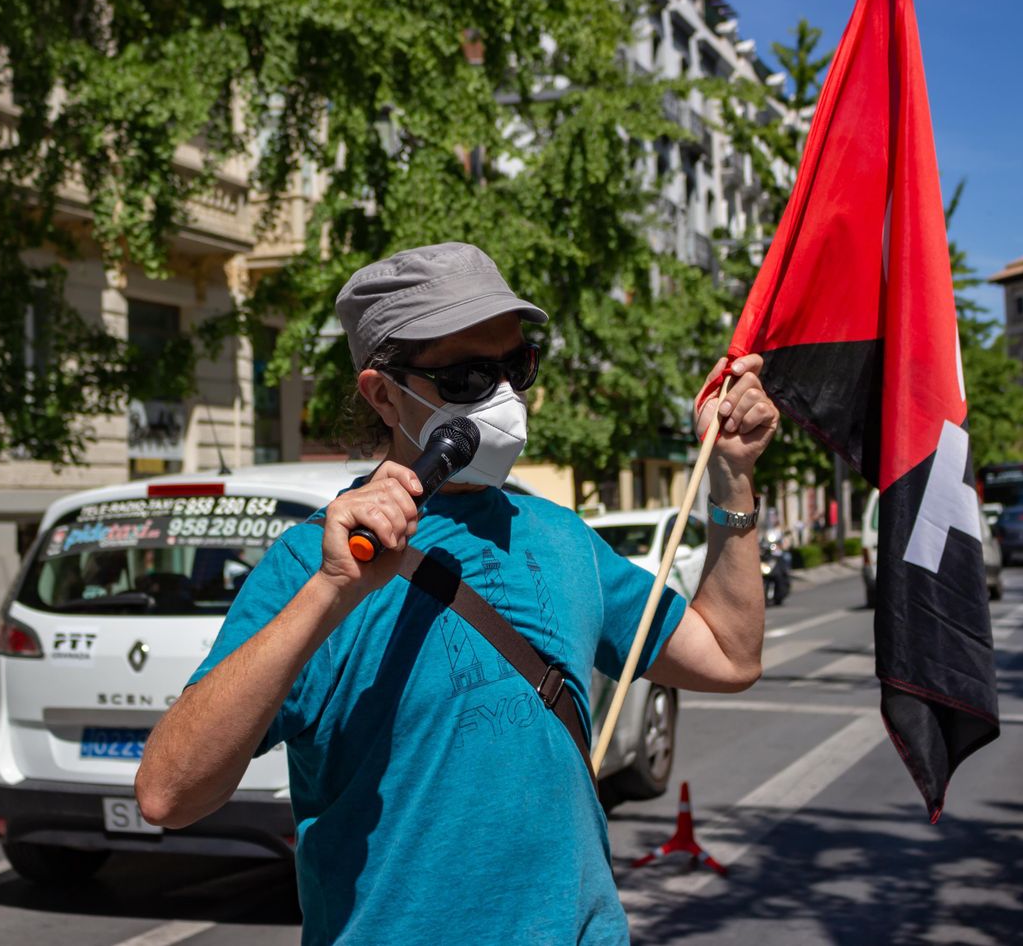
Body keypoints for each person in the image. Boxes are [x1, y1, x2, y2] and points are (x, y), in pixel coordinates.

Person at [136, 242, 778, 945]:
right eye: (471, 375)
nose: (505, 395)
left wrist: (730, 477)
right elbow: (169, 793)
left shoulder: (561, 537)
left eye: (516, 366)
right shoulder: (312, 564)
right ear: (383, 393)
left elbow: (728, 655)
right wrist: (329, 592)